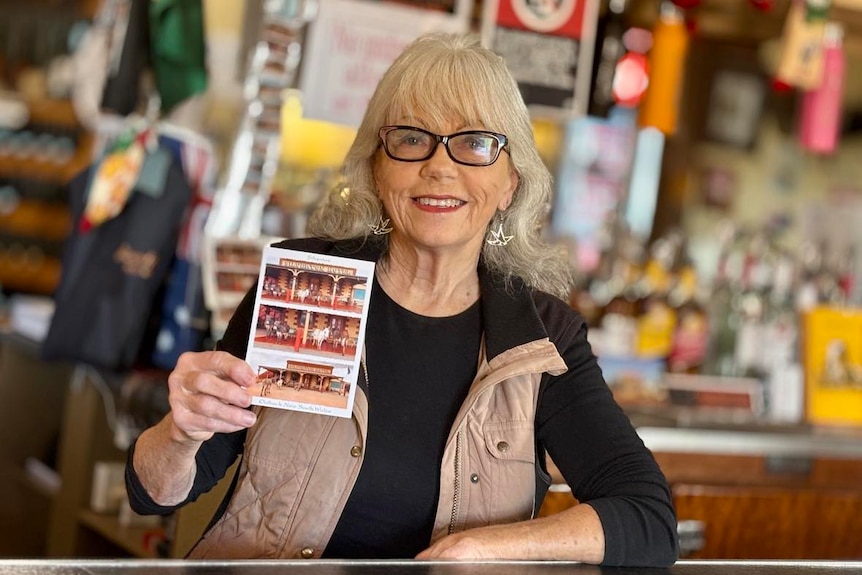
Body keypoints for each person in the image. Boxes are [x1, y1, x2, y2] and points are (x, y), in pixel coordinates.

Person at [126, 32, 678, 565]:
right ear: (376, 166)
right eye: (411, 138)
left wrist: (488, 546)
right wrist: (180, 432)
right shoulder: (310, 287)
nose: (440, 167)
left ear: (511, 182)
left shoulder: (540, 337)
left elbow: (648, 518)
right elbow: (157, 492)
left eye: (476, 143)